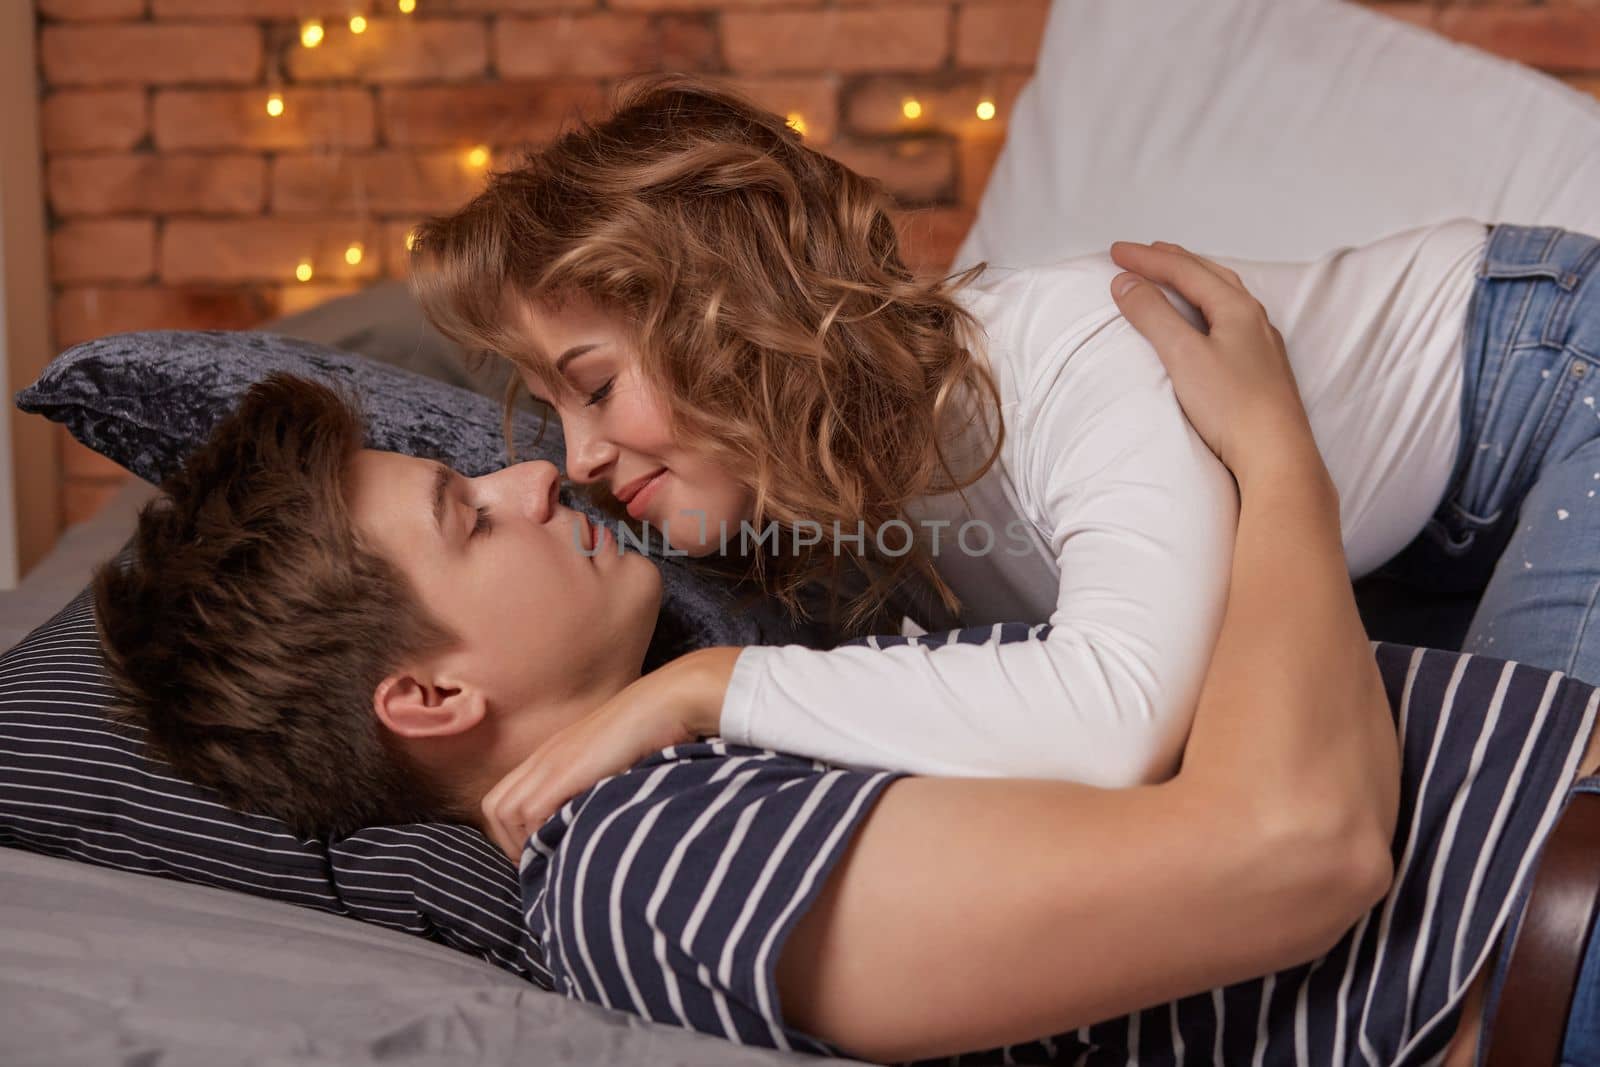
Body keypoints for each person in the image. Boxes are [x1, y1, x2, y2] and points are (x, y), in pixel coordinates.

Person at [90, 247, 1598, 1062]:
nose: (533, 478)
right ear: (427, 694)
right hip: (1557, 933)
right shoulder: (644, 863)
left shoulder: (689, 764)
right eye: (464, 516)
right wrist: (1274, 453)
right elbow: (1297, 846)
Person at [406, 74, 1600, 833]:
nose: (577, 460)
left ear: (720, 308)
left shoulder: (1076, 347)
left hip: (1557, 383)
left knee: (1529, 861)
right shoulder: (845, 491)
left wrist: (705, 689)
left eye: (596, 385)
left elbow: (1116, 717)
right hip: (1392, 542)